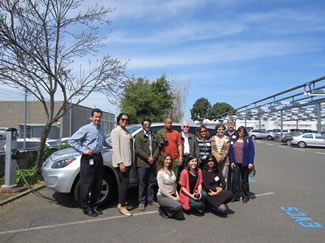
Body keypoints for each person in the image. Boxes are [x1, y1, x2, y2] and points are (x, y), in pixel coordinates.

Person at [69, 108, 109, 217]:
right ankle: (86, 208)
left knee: (97, 184)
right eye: (96, 117)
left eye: (99, 117)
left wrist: (113, 146)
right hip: (88, 158)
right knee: (86, 184)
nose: (98, 119)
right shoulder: (86, 128)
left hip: (98, 158)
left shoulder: (101, 128)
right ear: (91, 117)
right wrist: (83, 150)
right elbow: (72, 141)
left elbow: (104, 142)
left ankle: (93, 206)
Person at [135, 118, 160, 211]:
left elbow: (158, 147)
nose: (147, 126)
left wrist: (153, 157)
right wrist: (147, 157)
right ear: (142, 126)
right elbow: (138, 149)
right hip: (142, 163)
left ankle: (151, 200)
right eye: (145, 124)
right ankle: (142, 202)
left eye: (148, 124)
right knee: (142, 183)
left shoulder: (154, 135)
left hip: (152, 163)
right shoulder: (138, 136)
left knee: (151, 183)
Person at [111, 113, 133, 216]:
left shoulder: (126, 131)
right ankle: (123, 207)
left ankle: (120, 203)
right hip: (121, 163)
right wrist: (121, 163)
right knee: (124, 184)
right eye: (123, 119)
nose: (125, 121)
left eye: (127, 120)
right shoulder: (116, 131)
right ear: (119, 120)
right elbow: (115, 148)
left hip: (127, 162)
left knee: (123, 184)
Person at [229, 126, 255, 203]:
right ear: (237, 132)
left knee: (244, 180)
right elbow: (231, 152)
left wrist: (251, 162)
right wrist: (232, 162)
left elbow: (252, 152)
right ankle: (235, 196)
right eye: (240, 131)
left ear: (245, 133)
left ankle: (245, 196)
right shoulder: (233, 140)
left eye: (243, 132)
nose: (241, 133)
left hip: (245, 163)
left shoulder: (248, 141)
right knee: (235, 180)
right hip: (236, 163)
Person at [156, 152, 185, 220]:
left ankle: (167, 210)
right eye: (166, 159)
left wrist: (177, 195)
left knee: (181, 216)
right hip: (162, 196)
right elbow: (162, 189)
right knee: (178, 206)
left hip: (173, 194)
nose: (168, 161)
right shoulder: (160, 173)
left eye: (169, 159)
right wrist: (173, 198)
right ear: (162, 160)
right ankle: (162, 208)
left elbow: (174, 184)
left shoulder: (171, 171)